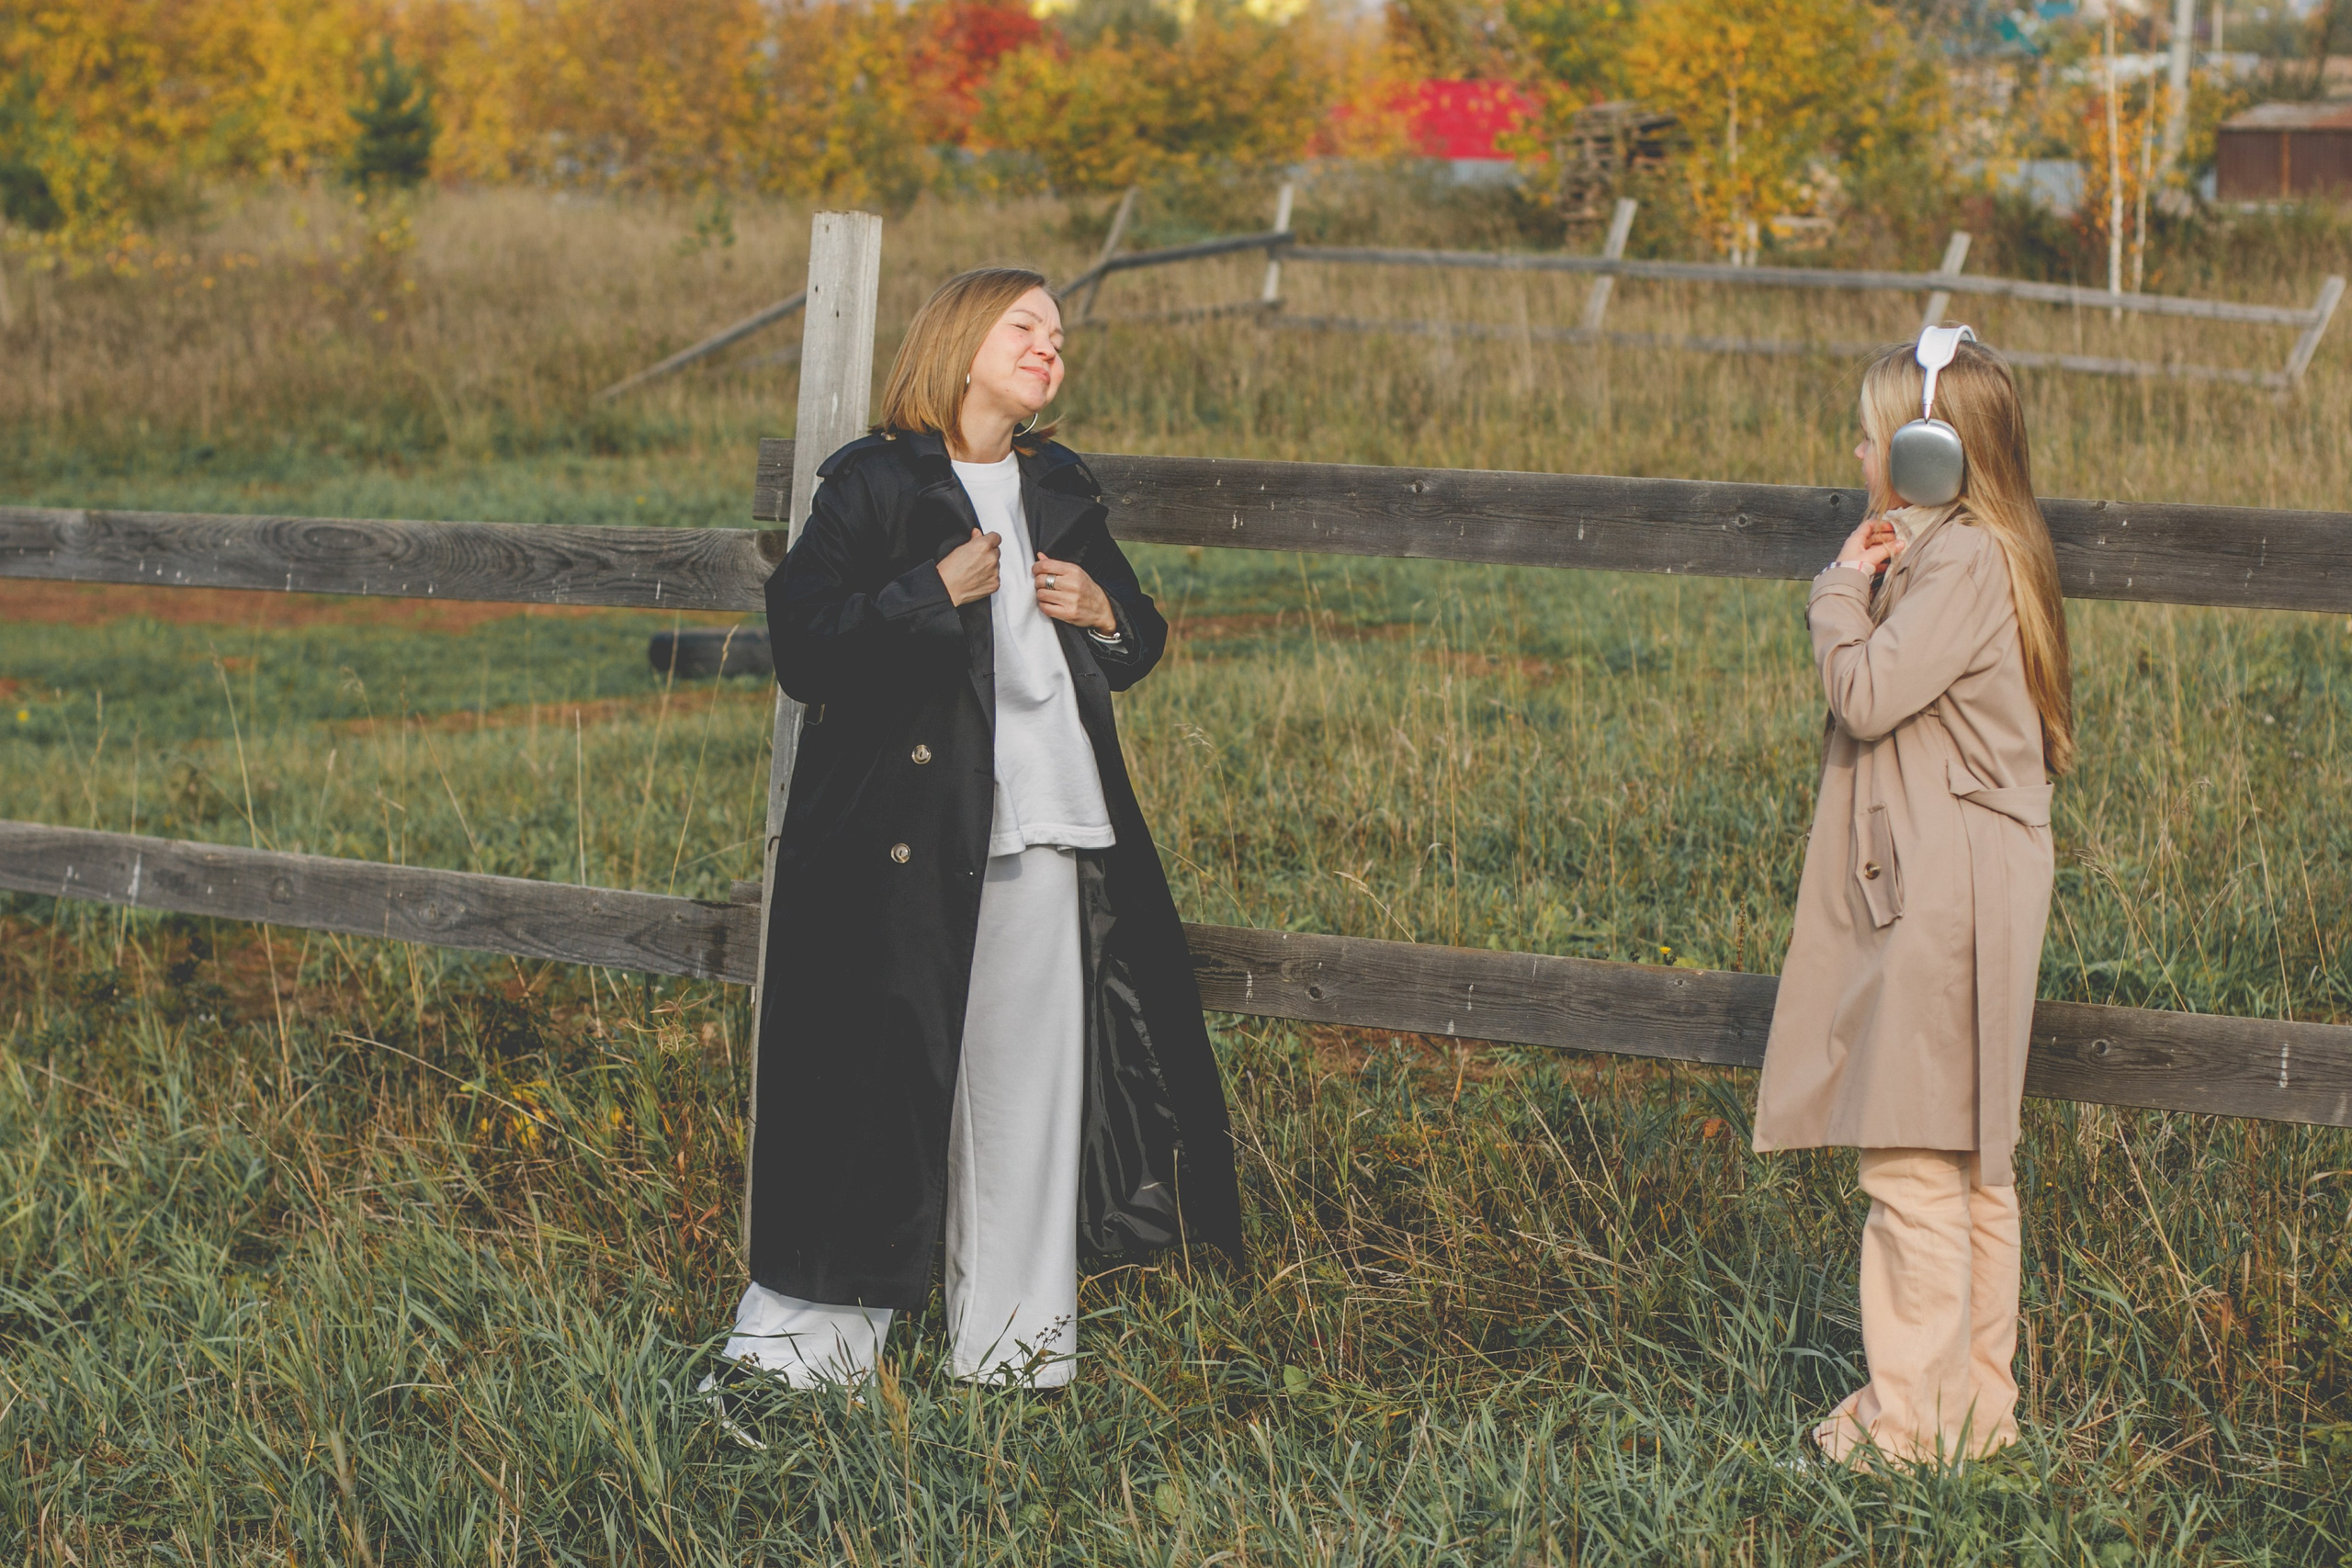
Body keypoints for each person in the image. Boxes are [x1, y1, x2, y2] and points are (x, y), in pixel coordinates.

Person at [708, 267, 1242, 1428]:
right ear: (959, 344)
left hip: (1049, 827)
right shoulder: (873, 479)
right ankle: (808, 1357)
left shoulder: (1058, 485)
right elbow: (804, 649)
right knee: (876, 1084)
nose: (1051, 347)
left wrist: (1105, 615)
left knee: (1027, 1095)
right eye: (1025, 327)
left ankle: (1014, 1350)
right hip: (901, 843)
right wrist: (926, 592)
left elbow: (1137, 638)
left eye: (1059, 333)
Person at [1752, 333, 2074, 1465]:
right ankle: (1970, 1411)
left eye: (1873, 432)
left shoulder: (1962, 562)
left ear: (1929, 455)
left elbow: (1869, 694)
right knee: (1968, 1157)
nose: (1854, 446)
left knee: (1908, 1162)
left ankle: (1907, 1430)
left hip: (1942, 890)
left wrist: (1839, 591)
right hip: (1959, 874)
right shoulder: (1966, 555)